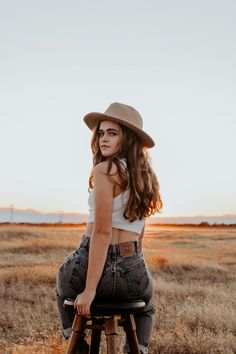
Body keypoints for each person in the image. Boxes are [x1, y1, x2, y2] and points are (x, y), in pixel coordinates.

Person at [56, 102, 163, 354]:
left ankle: (75, 343)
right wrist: (135, 265)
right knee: (146, 306)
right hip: (133, 262)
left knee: (62, 288)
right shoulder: (146, 178)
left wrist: (90, 289)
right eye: (101, 133)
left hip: (92, 261)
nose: (103, 139)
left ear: (127, 139)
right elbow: (141, 233)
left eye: (112, 133)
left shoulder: (105, 169)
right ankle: (139, 349)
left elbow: (102, 233)